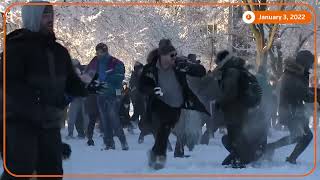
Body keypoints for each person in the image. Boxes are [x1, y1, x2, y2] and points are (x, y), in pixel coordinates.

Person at [0, 1, 104, 179]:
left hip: (49, 124)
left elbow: (71, 82)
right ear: (33, 17)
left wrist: (87, 87)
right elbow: (10, 84)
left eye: (51, 13)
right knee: (19, 172)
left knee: (52, 173)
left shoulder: (59, 51)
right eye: (45, 14)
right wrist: (35, 99)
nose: (51, 18)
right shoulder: (16, 48)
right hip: (20, 124)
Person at [139, 39, 207, 170]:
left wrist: (188, 66)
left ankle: (155, 154)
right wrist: (152, 90)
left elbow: (201, 71)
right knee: (164, 128)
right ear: (162, 56)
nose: (174, 58)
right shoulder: (151, 68)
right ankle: (159, 157)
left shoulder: (179, 64)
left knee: (165, 130)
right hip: (160, 104)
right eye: (171, 55)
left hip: (177, 105)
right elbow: (142, 86)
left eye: (175, 55)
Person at [213, 50, 264, 168]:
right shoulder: (241, 69)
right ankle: (241, 157)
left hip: (235, 109)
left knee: (234, 134)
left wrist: (220, 103)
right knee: (237, 134)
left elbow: (230, 92)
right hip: (244, 108)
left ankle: (240, 160)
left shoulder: (231, 71)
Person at [265, 51, 314, 164]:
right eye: (310, 63)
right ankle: (287, 157)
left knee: (301, 136)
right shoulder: (293, 75)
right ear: (304, 62)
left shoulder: (296, 73)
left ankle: (272, 149)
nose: (310, 67)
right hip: (291, 111)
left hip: (294, 110)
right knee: (303, 136)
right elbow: (305, 95)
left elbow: (304, 92)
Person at [86, 43, 129, 150]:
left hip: (113, 94)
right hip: (100, 94)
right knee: (104, 120)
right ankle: (109, 143)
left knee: (113, 117)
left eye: (100, 52)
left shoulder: (115, 62)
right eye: (97, 52)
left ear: (105, 51)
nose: (98, 54)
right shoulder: (95, 62)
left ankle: (123, 141)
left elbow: (119, 76)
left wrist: (106, 80)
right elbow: (87, 74)